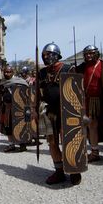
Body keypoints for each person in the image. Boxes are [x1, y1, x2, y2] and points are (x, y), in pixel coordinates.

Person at [39, 42, 82, 185]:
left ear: (56, 55)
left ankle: (74, 169)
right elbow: (38, 92)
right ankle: (59, 171)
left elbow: (79, 92)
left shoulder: (68, 69)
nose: (46, 57)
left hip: (67, 112)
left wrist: (82, 112)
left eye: (49, 54)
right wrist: (35, 109)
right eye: (44, 55)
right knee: (52, 142)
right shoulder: (43, 72)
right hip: (50, 112)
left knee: (68, 140)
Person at [76, 45, 103, 164]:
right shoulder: (81, 67)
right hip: (89, 100)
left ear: (96, 53)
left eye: (91, 53)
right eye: (86, 54)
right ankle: (95, 152)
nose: (89, 56)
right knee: (92, 126)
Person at [0, 66, 28, 152]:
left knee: (20, 125)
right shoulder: (2, 83)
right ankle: (11, 144)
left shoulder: (20, 82)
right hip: (7, 107)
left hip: (18, 108)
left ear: (12, 72)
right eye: (5, 72)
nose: (7, 73)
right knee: (8, 126)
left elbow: (26, 93)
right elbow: (0, 95)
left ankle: (22, 143)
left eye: (9, 72)